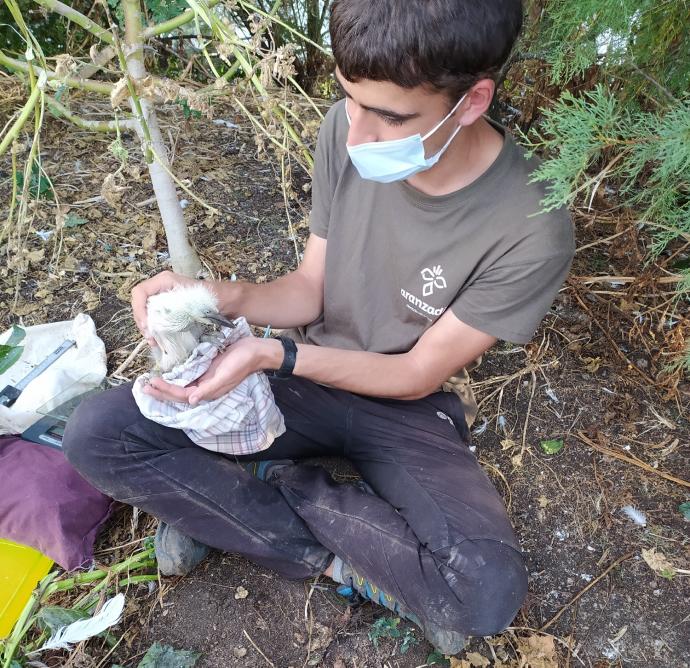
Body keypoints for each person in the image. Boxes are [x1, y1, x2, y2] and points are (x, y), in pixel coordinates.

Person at [63, 0, 575, 655]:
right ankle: (330, 555)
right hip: (300, 377)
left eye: (390, 117)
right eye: (349, 101)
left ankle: (255, 493)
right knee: (98, 434)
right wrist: (217, 296)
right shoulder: (346, 129)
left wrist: (269, 358)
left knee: (486, 591)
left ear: (472, 102)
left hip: (403, 406)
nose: (356, 135)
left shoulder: (531, 226)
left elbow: (415, 373)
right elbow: (310, 290)